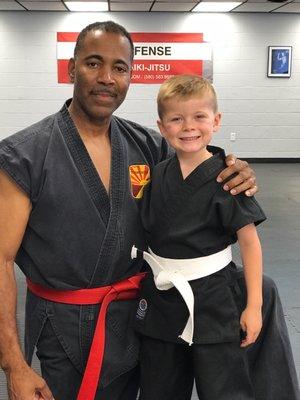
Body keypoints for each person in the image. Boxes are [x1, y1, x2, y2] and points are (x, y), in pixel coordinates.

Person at [0, 21, 263, 400]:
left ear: (130, 76)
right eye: (93, 63)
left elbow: (199, 163)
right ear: (72, 68)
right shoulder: (25, 155)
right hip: (61, 330)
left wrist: (235, 167)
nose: (107, 77)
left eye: (119, 67)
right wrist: (13, 363)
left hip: (139, 320)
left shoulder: (147, 145)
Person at [133, 75, 300, 400]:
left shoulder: (228, 178)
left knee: (224, 388)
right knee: (159, 387)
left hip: (214, 300)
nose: (188, 127)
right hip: (163, 299)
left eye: (199, 117)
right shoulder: (157, 175)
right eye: (177, 119)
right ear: (162, 125)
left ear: (216, 121)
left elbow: (250, 243)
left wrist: (254, 305)